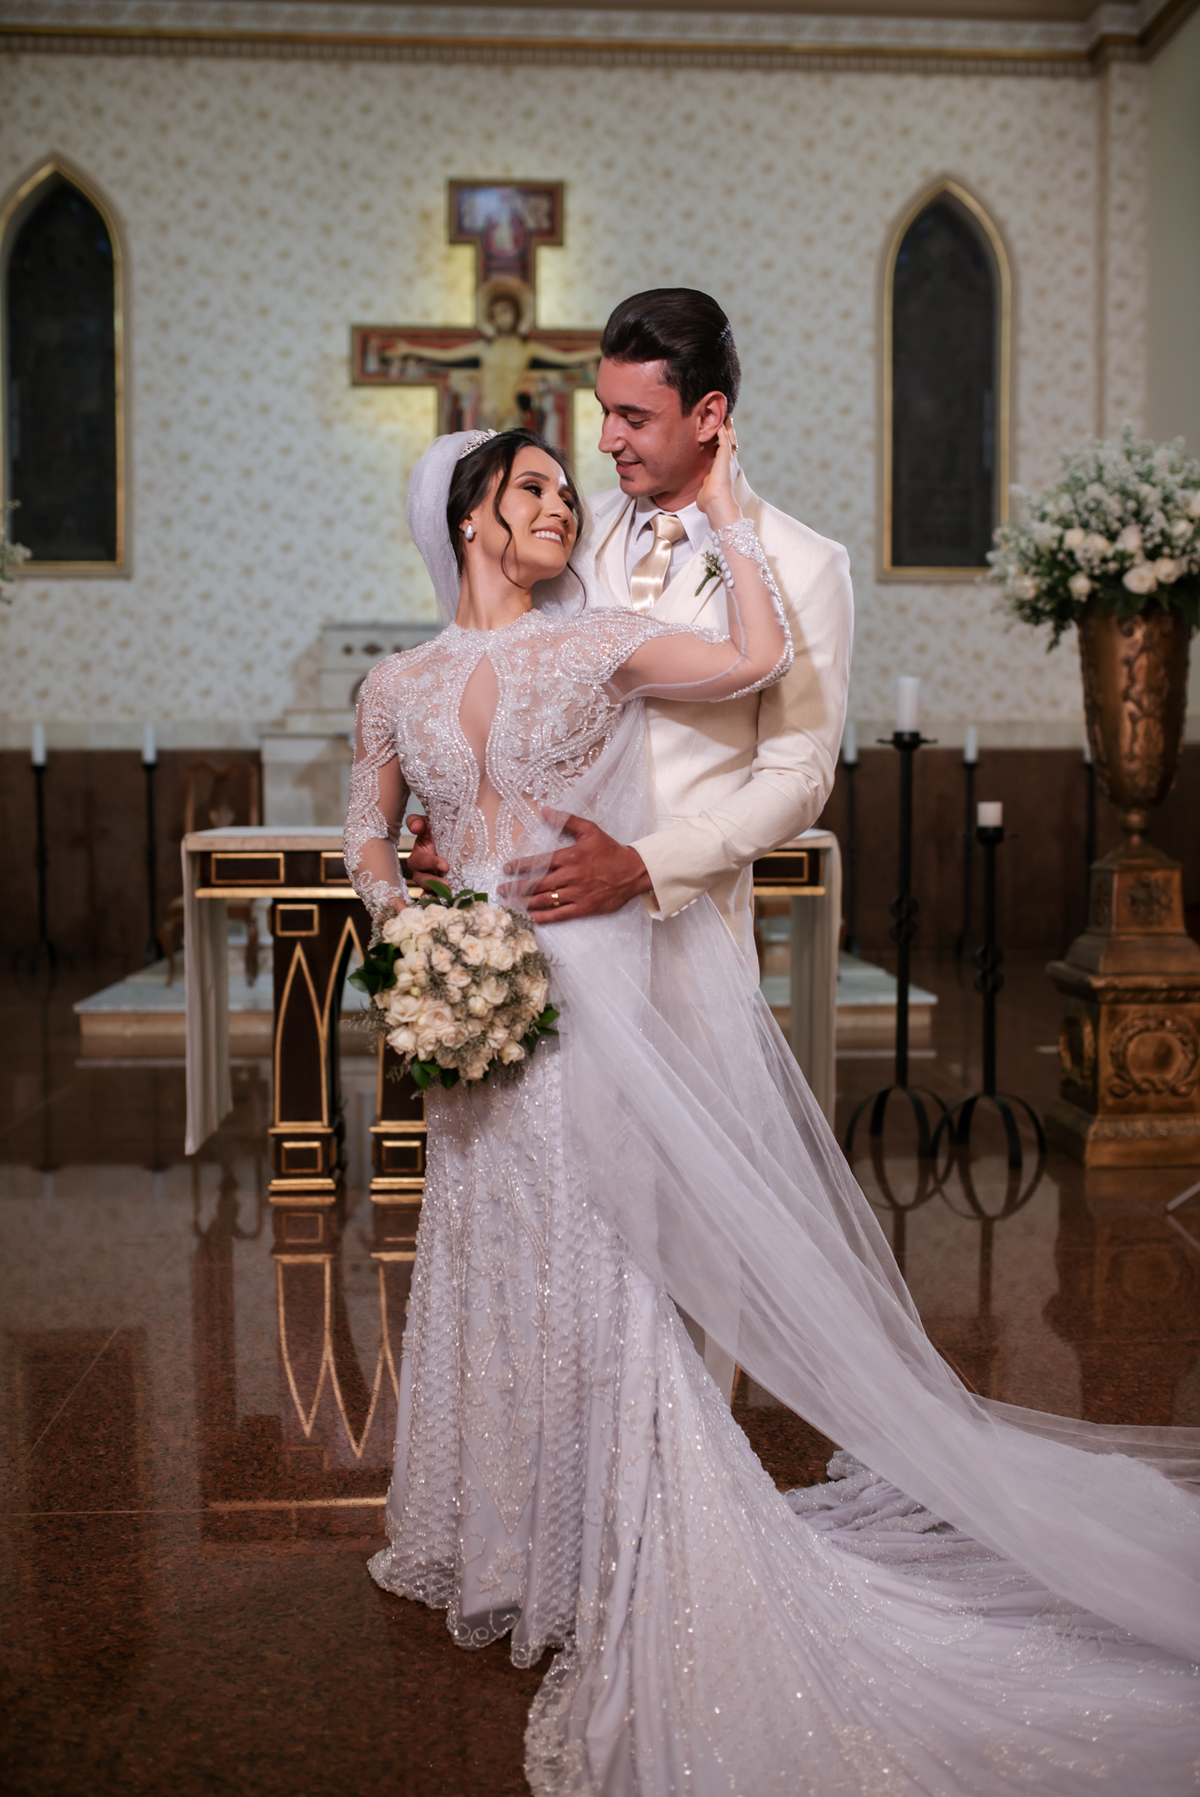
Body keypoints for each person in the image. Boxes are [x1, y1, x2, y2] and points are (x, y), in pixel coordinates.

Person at [346, 425, 1200, 1796]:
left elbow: (749, 661)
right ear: (469, 522)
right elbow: (367, 831)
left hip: (583, 984)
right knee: (483, 1257)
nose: (564, 500)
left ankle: (610, 1554)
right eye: (534, 489)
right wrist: (418, 929)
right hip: (470, 1007)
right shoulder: (395, 681)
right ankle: (495, 1536)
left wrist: (731, 517)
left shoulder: (600, 641)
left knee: (594, 1261)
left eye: (571, 484)